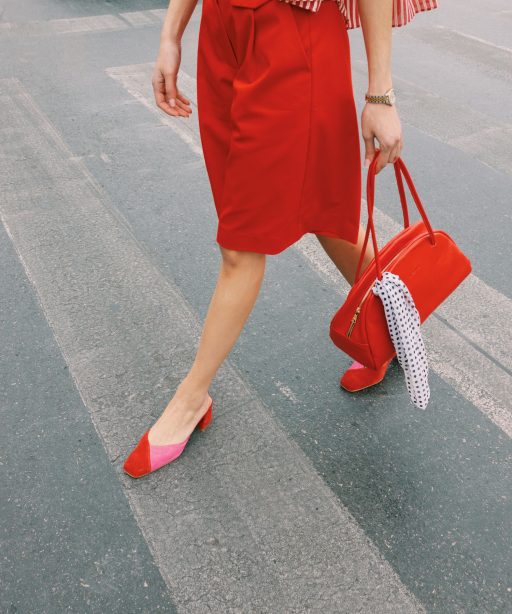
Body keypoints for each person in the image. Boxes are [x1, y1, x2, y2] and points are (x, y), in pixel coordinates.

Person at [123, 0, 437, 478]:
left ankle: (191, 399)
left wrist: (380, 95)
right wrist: (171, 34)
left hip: (293, 34)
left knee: (240, 243)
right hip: (223, 31)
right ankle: (389, 325)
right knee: (321, 214)